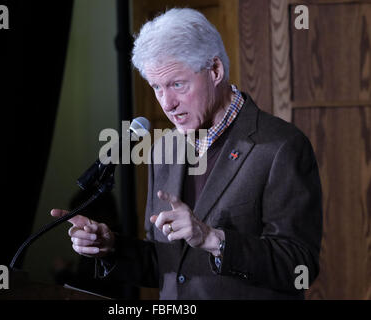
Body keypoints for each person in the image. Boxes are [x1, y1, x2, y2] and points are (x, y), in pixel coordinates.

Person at [51, 8, 322, 299]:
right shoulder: (164, 150)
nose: (166, 103)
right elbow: (167, 265)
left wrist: (212, 239)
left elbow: (298, 266)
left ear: (215, 70)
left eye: (177, 84)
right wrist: (112, 248)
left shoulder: (280, 146)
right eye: (156, 87)